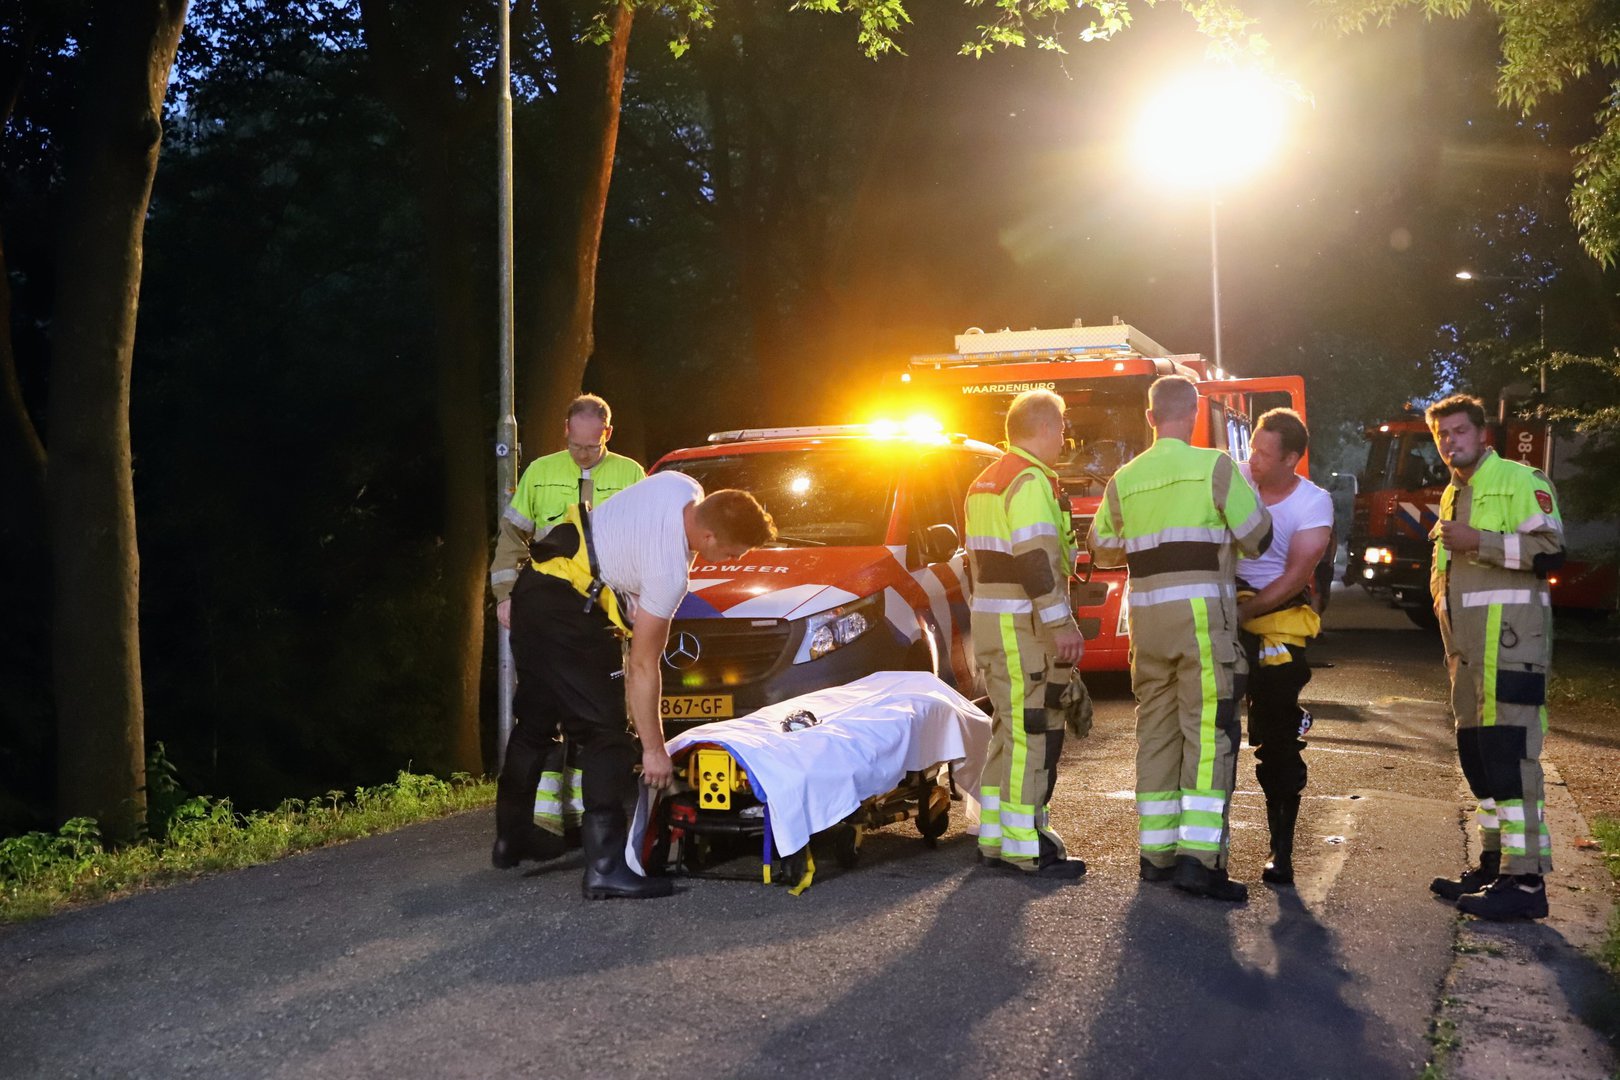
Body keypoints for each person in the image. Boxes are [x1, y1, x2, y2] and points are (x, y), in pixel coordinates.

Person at [495, 472, 776, 899]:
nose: (733, 561)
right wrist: (653, 750)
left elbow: (626, 539)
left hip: (533, 591)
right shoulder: (669, 573)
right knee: (606, 736)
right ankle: (606, 869)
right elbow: (643, 666)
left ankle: (510, 840)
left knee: (535, 720)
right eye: (732, 552)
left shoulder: (680, 485)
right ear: (708, 535)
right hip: (571, 616)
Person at [1088, 375, 1272, 902]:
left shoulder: (1124, 479)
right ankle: (1201, 861)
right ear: (1193, 415)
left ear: (1149, 418)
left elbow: (1101, 548)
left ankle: (1157, 855)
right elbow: (1259, 538)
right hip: (1201, 624)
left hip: (1147, 624)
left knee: (1157, 734)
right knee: (1208, 735)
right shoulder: (1215, 467)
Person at [489, 394, 644, 863]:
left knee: (546, 724)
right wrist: (505, 595)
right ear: (565, 431)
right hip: (554, 615)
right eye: (575, 446)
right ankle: (527, 840)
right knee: (586, 724)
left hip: (598, 615)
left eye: (591, 447)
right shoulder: (540, 472)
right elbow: (512, 537)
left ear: (607, 434)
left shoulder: (630, 474)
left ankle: (538, 833)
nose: (582, 455)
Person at [1426, 394, 1564, 921]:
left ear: (1482, 433)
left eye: (1459, 431)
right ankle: (1493, 865)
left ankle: (1525, 882)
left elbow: (1551, 551)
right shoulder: (1452, 492)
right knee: (1478, 757)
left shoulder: (1519, 479)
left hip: (1512, 646)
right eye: (1442, 435)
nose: (1450, 442)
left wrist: (1478, 540)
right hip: (1467, 653)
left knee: (1510, 757)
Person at [964, 389, 1090, 879]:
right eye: (1062, 428)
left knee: (1009, 729)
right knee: (1032, 729)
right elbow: (1035, 558)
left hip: (993, 623)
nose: (1064, 438)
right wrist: (1061, 623)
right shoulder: (1029, 481)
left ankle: (996, 838)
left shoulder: (986, 481)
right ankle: (1026, 847)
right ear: (1045, 428)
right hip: (1023, 625)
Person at [1234, 409, 1334, 887]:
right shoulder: (1234, 480)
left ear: (1291, 458)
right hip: (1226, 609)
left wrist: (1244, 614)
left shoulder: (1313, 502)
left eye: (1263, 453)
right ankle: (1200, 848)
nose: (1252, 459)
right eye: (1252, 448)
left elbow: (1296, 576)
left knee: (1277, 738)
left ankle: (1282, 850)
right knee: (1208, 729)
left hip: (1277, 622)